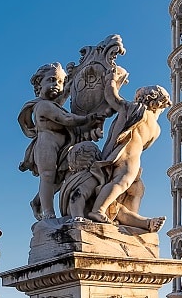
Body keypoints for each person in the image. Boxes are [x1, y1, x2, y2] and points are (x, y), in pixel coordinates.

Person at [87, 70, 171, 231]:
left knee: (136, 189)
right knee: (122, 182)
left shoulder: (156, 127)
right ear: (156, 102)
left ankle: (131, 221)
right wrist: (111, 79)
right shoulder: (136, 109)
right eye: (164, 103)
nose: (164, 107)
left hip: (134, 157)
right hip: (126, 154)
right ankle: (98, 210)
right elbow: (113, 98)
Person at [18, 63, 101, 220]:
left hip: (63, 147)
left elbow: (62, 98)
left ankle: (37, 202)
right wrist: (87, 119)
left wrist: (71, 83)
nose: (56, 85)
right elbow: (66, 119)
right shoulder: (43, 106)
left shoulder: (54, 104)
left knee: (58, 180)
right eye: (51, 80)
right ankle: (49, 212)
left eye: (60, 82)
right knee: (48, 176)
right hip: (47, 144)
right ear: (39, 84)